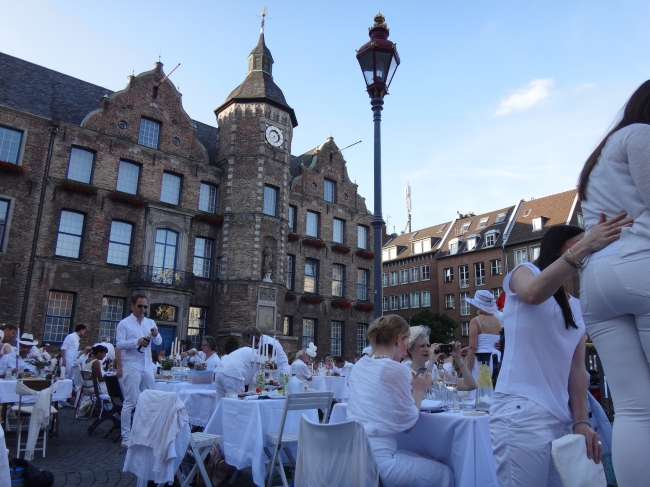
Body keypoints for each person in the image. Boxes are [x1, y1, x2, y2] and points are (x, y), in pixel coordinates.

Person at [490, 223, 631, 486]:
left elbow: (577, 370)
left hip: (562, 417)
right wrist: (585, 246)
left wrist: (580, 421)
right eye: (579, 242)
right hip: (520, 410)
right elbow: (533, 293)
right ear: (559, 247)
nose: (589, 248)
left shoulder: (577, 307)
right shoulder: (523, 272)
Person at [576, 80, 650, 487]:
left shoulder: (597, 159)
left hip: (597, 280)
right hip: (640, 263)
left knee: (634, 408)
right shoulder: (640, 135)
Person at [347, 315, 454, 487]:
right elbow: (408, 426)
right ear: (398, 339)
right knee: (445, 473)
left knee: (422, 458)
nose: (405, 350)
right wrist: (418, 391)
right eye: (406, 341)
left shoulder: (360, 365)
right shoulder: (395, 368)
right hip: (380, 465)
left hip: (354, 459)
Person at [116, 294, 161, 448]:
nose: (143, 309)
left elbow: (159, 341)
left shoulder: (150, 322)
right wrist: (136, 341)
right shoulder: (124, 324)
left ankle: (147, 431)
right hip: (132, 365)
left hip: (147, 364)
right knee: (130, 401)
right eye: (140, 306)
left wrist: (156, 334)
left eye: (145, 306)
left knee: (150, 399)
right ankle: (126, 436)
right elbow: (120, 344)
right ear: (133, 306)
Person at [406, 326, 476, 391]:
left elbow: (470, 385)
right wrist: (431, 362)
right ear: (410, 350)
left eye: (428, 345)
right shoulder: (405, 373)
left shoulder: (436, 372)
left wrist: (458, 359)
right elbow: (420, 390)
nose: (427, 349)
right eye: (422, 346)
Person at [465, 290, 503, 381]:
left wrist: (467, 370)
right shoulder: (498, 321)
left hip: (481, 360)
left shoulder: (475, 321)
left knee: (479, 391)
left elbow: (473, 347)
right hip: (497, 359)